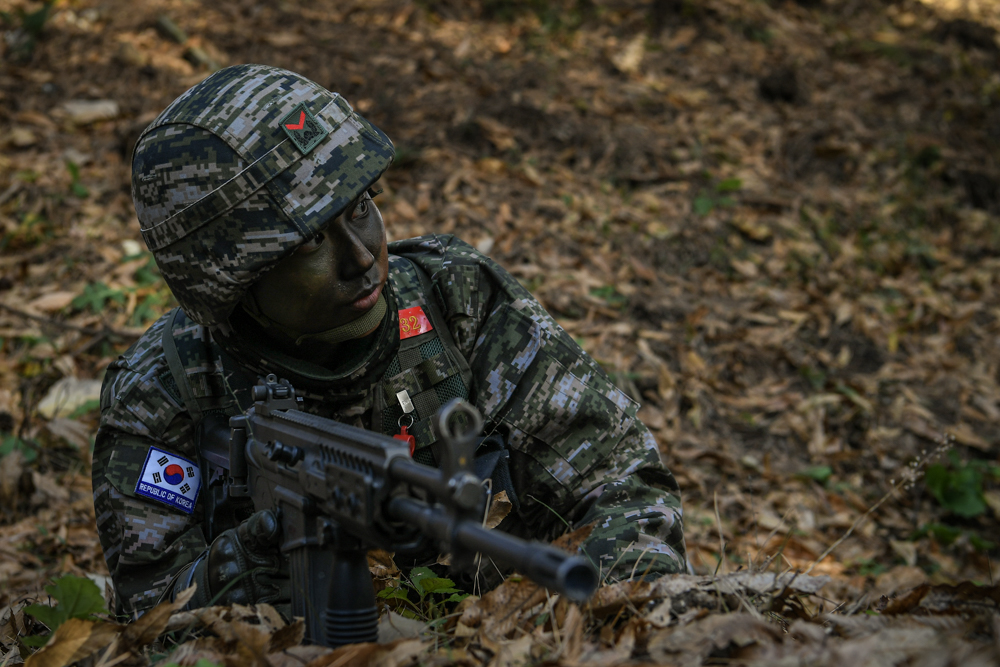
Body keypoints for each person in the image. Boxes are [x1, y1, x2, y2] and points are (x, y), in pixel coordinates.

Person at [92, 64, 686, 618]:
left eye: (360, 208)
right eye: (306, 246)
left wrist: (628, 617)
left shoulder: (459, 302)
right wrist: (239, 571)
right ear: (226, 280)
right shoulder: (164, 391)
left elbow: (618, 480)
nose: (360, 257)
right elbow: (151, 616)